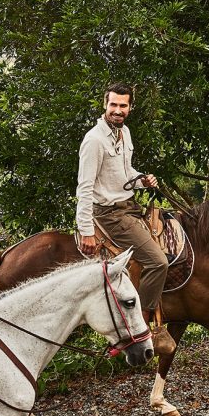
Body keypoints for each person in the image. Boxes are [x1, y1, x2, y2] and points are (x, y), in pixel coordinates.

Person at [76, 82, 168, 325]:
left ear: (130, 107)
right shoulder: (94, 140)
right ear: (105, 105)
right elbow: (84, 187)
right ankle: (144, 322)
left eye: (123, 105)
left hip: (129, 206)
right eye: (113, 104)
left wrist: (142, 180)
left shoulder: (124, 132)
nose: (117, 110)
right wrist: (86, 231)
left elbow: (124, 172)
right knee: (158, 263)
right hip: (110, 214)